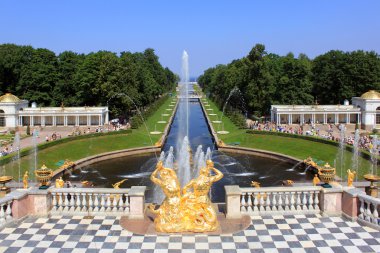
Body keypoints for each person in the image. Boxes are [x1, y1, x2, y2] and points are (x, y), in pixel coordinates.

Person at [181, 160, 223, 232]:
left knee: (197, 212)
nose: (209, 173)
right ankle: (201, 220)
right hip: (204, 200)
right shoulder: (209, 180)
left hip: (195, 199)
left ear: (200, 173)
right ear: (206, 173)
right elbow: (220, 175)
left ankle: (198, 220)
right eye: (208, 172)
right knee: (212, 218)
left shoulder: (194, 181)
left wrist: (189, 195)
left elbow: (184, 188)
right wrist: (212, 168)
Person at [149, 161, 183, 232]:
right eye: (163, 174)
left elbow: (172, 171)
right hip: (170, 201)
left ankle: (175, 223)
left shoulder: (174, 178)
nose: (165, 174)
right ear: (162, 176)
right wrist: (158, 169)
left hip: (178, 200)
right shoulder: (162, 183)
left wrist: (163, 167)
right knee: (170, 216)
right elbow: (152, 177)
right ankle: (172, 223)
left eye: (166, 173)